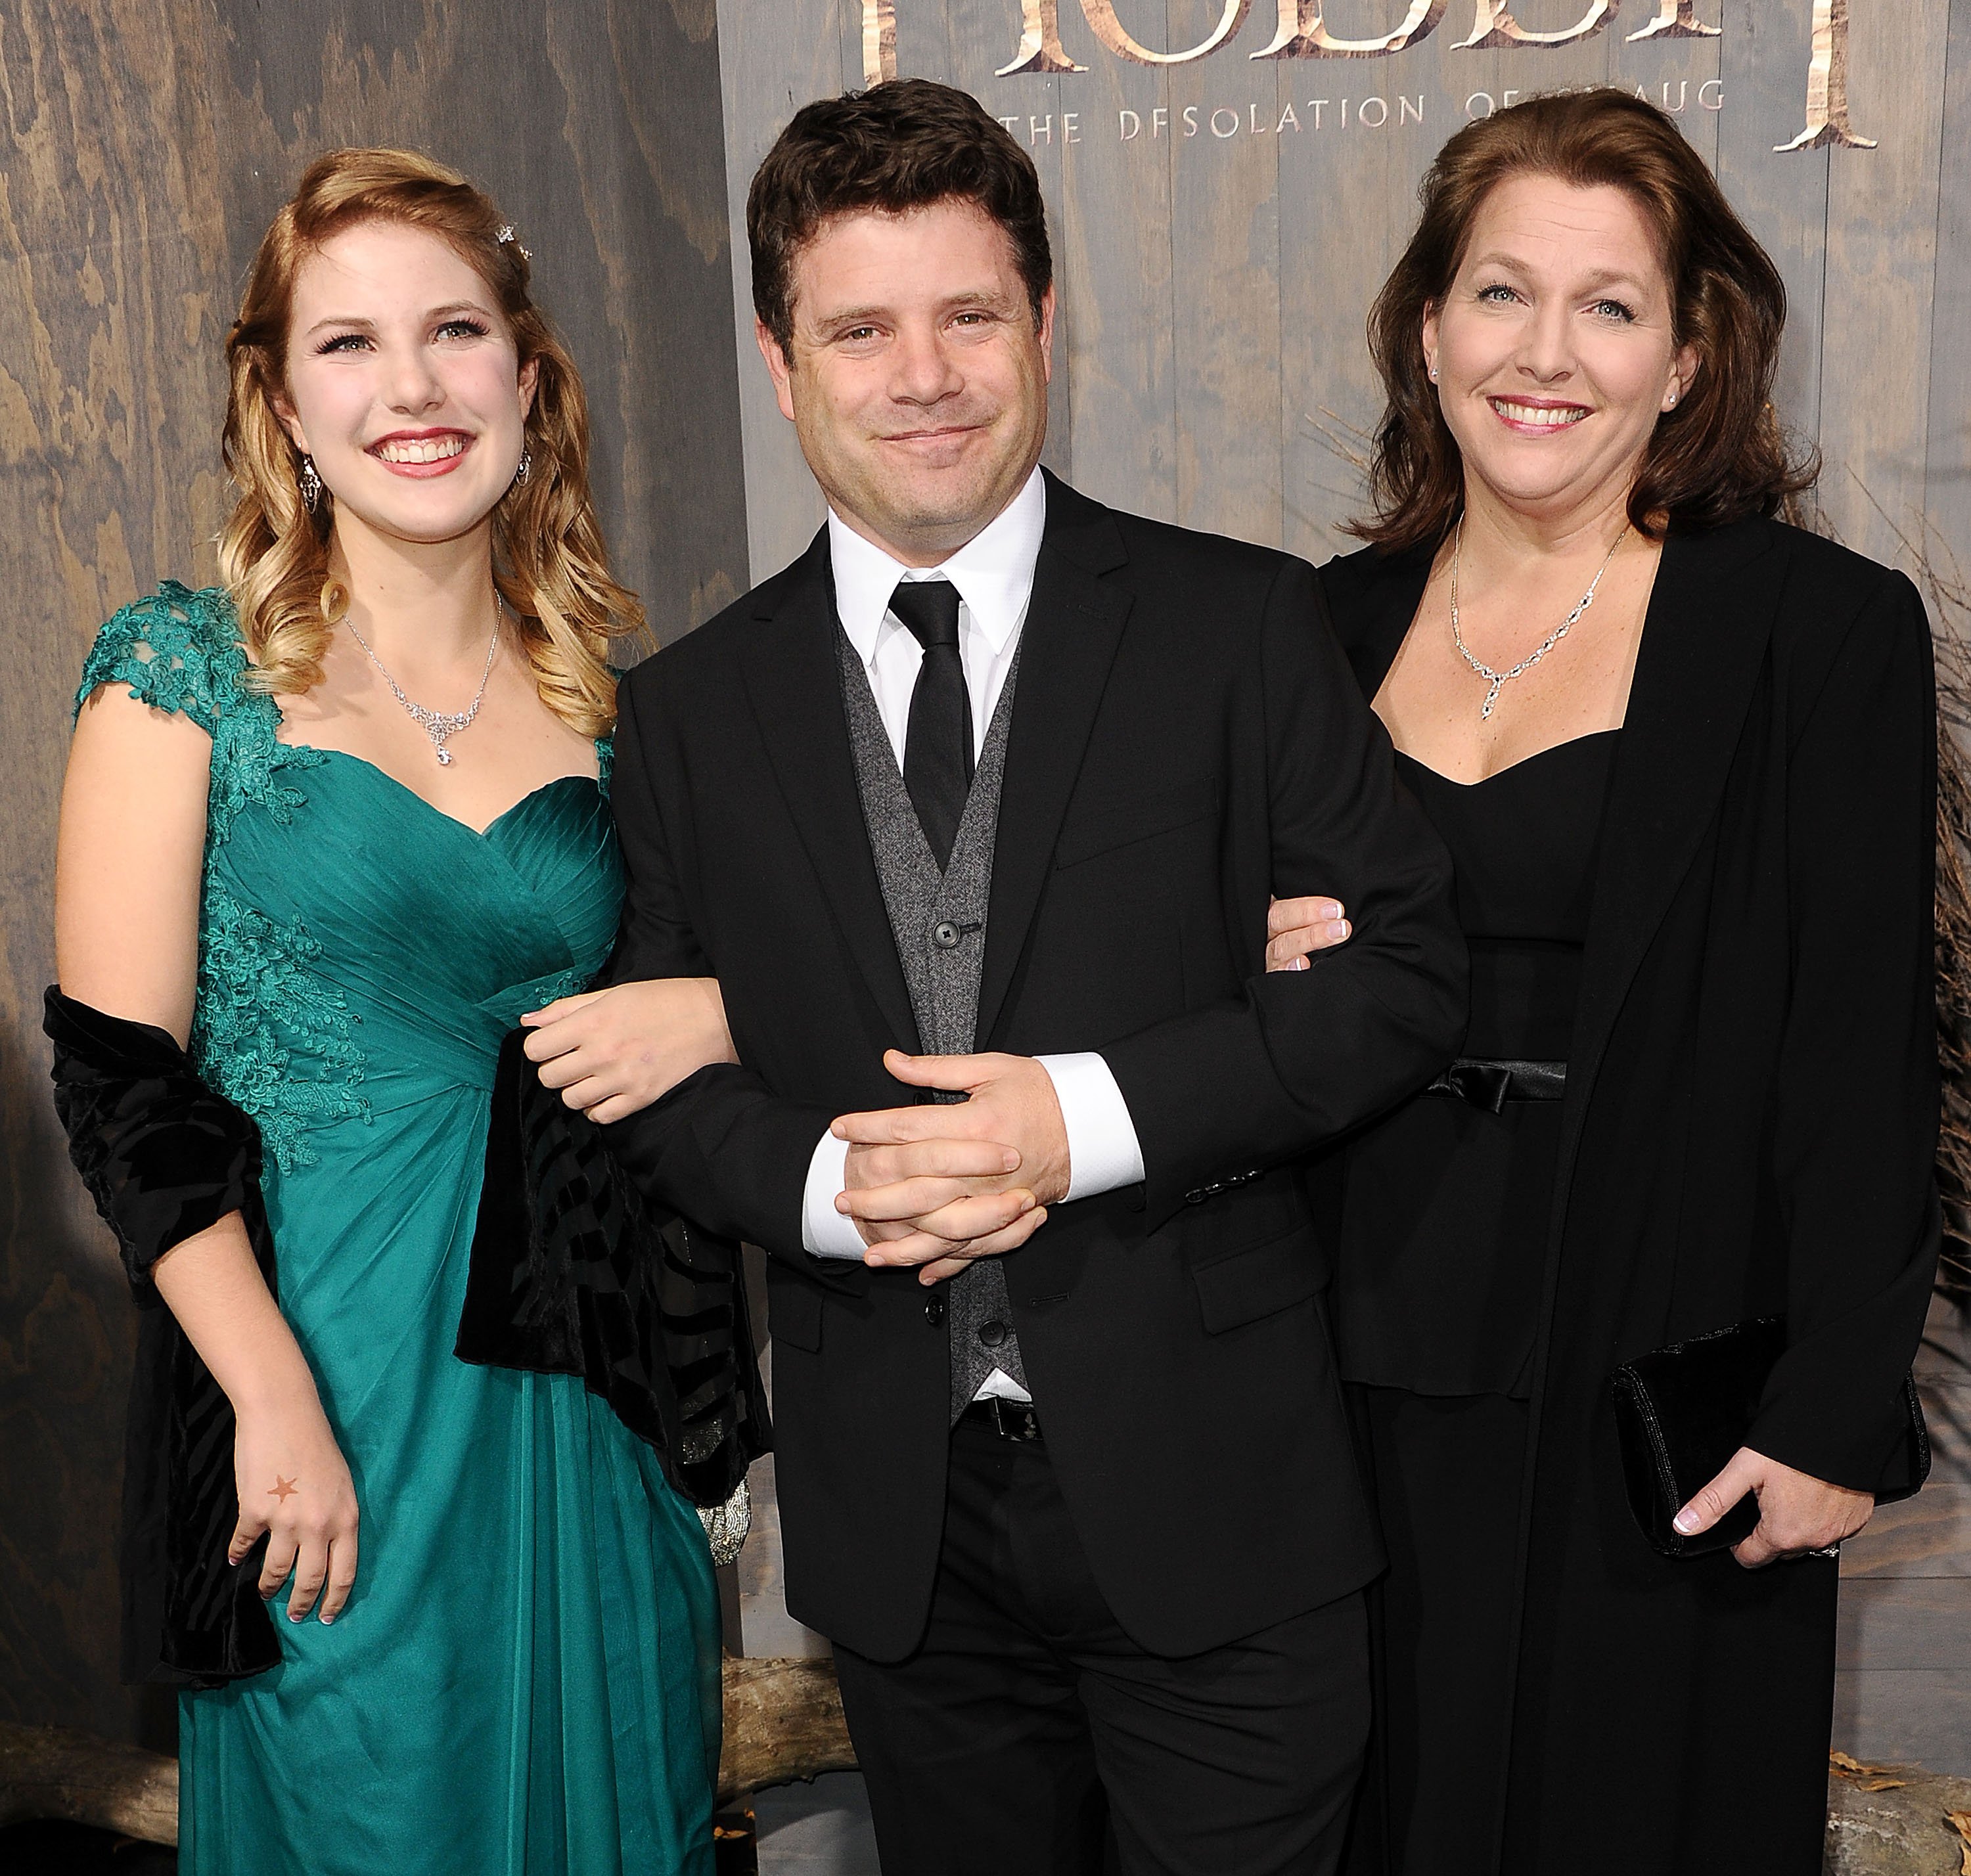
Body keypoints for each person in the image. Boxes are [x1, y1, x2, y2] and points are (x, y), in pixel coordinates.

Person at [583, 77, 1464, 1876]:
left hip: (1221, 1512)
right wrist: (841, 1187)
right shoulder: (684, 712)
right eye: (861, 329)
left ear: (1044, 324)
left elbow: (1399, 984)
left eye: (970, 315)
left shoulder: (1237, 630)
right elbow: (663, 1080)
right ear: (781, 358)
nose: (925, 375)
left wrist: (1082, 1120)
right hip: (905, 1543)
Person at [1266, 91, 1939, 1875]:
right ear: (1428, 329)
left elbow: (1865, 1051)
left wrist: (1833, 1415)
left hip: (1659, 1363)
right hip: (1347, 1355)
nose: (1543, 355)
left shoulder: (1820, 633)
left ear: (1690, 350)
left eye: (1609, 305)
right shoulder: (1311, 633)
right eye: (1500, 295)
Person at [50, 149, 742, 1875]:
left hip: (585, 1399)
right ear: (283, 402)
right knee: (367, 1796)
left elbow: (791, 979)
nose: (413, 387)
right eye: (348, 345)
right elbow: (120, 1086)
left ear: (526, 371)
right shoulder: (181, 676)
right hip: (323, 1388)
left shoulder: (615, 704)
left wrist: (719, 1015)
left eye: (453, 331)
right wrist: (271, 1399)